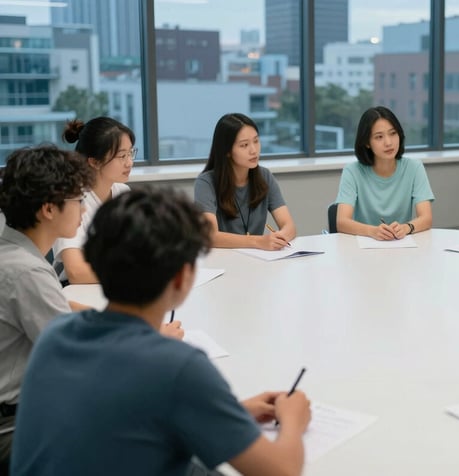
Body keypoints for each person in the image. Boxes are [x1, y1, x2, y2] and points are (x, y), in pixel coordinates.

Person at [11, 189, 312, 476]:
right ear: (183, 278)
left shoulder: (57, 334)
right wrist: (293, 420)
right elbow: (281, 469)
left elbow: (120, 413)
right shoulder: (177, 367)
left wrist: (233, 412)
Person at [0, 145, 93, 473]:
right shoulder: (27, 271)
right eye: (78, 201)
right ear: (48, 209)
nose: (83, 210)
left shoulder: (11, 251)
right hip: (13, 427)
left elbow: (55, 309)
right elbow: (78, 356)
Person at [52, 117, 135, 285]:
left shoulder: (123, 192)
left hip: (115, 285)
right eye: (122, 156)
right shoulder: (70, 200)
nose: (129, 162)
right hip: (77, 289)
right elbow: (75, 272)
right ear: (95, 162)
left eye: (130, 153)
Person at [195, 113, 296, 250]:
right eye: (244, 145)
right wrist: (258, 242)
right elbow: (210, 235)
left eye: (256, 141)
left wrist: (281, 236)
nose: (253, 150)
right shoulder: (206, 183)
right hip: (222, 261)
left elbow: (289, 225)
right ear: (227, 151)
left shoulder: (264, 176)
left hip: (257, 261)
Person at [335, 106, 434, 240]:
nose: (388, 142)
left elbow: (426, 218)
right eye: (379, 137)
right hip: (364, 249)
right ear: (367, 143)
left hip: (401, 247)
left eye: (393, 133)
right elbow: (342, 222)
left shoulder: (414, 167)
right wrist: (372, 231)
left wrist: (406, 227)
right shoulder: (352, 171)